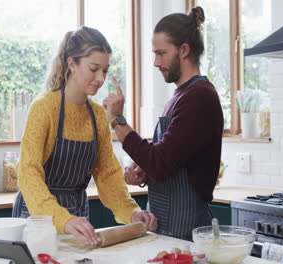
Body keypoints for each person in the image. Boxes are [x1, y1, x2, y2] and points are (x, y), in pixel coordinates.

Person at [13, 26, 157, 246]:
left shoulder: (98, 115)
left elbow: (107, 174)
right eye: (94, 68)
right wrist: (62, 219)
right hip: (38, 219)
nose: (100, 78)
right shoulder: (44, 108)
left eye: (105, 71)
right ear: (72, 64)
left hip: (79, 219)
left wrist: (132, 212)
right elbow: (28, 173)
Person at [103, 7, 223, 241]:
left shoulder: (200, 98)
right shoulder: (181, 96)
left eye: (161, 53)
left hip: (186, 232)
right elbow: (170, 160)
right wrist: (144, 172)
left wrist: (118, 121)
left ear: (184, 50)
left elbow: (161, 163)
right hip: (165, 227)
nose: (156, 62)